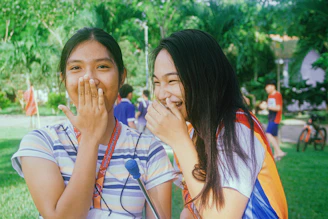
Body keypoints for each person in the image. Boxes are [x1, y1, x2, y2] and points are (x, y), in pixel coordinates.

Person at [11, 27, 174, 219]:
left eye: (102, 66)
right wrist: (90, 137)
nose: (89, 79)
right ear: (63, 79)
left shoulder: (150, 150)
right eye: (76, 68)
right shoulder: (40, 143)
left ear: (122, 76)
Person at [146, 29, 288, 218]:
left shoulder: (237, 128)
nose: (162, 94)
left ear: (204, 78)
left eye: (172, 80)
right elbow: (193, 206)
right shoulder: (190, 133)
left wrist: (179, 141)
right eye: (157, 82)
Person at [265, 80, 287, 161]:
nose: (266, 88)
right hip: (271, 117)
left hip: (275, 118)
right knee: (274, 136)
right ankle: (276, 155)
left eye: (268, 86)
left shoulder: (277, 95)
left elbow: (278, 108)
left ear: (273, 86)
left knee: (268, 134)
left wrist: (267, 106)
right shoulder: (270, 96)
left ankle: (279, 151)